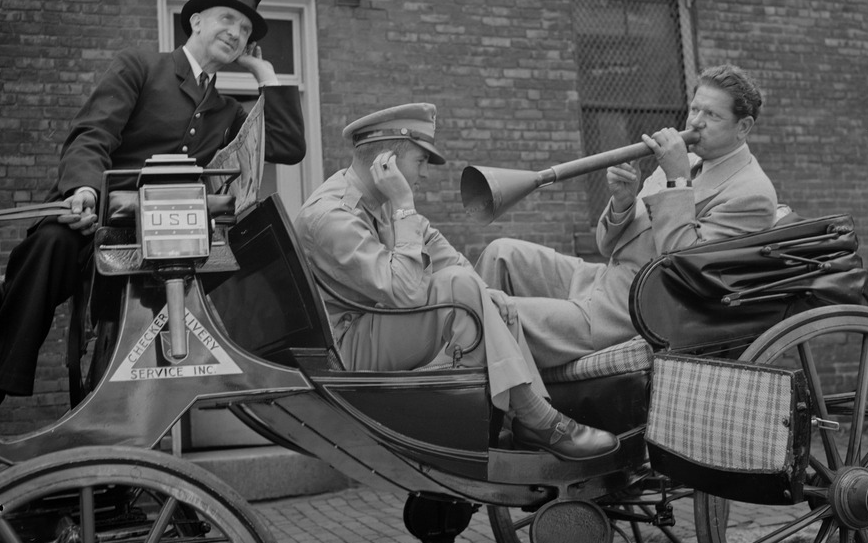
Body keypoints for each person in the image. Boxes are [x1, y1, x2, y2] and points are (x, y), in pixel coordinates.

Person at [0, 0, 307, 430]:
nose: (235, 34)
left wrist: (267, 74)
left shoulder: (228, 111)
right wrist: (82, 189)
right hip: (100, 221)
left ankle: (129, 443)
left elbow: (288, 147)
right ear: (195, 22)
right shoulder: (140, 66)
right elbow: (93, 134)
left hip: (168, 245)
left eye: (245, 31)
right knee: (52, 244)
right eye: (226, 20)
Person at [292, 102, 619, 461]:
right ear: (386, 162)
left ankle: (520, 420)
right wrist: (404, 204)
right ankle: (539, 421)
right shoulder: (331, 216)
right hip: (348, 349)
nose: (425, 175)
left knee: (482, 295)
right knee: (462, 289)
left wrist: (489, 300)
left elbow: (444, 255)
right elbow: (406, 291)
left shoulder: (378, 201)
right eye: (420, 161)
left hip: (377, 327)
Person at [475, 64, 778, 369]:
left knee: (488, 312)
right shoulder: (685, 159)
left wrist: (678, 181)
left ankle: (492, 398)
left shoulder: (751, 194)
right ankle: (485, 382)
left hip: (629, 314)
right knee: (501, 253)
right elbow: (608, 248)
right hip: (598, 280)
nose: (695, 122)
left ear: (743, 126)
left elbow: (685, 270)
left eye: (712, 115)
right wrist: (623, 202)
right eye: (694, 109)